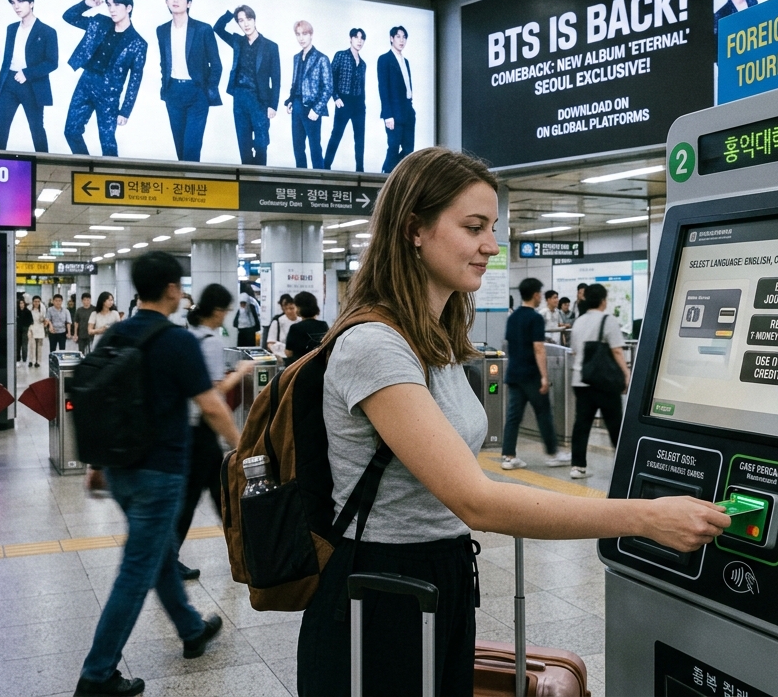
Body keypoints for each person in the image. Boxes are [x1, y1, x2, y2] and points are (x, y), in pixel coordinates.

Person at [296, 148, 730, 696]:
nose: (491, 246)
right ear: (414, 229)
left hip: (441, 576)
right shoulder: (375, 346)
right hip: (380, 593)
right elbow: (475, 499)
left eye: (493, 227)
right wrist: (643, 518)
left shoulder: (434, 340)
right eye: (473, 227)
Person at [73, 252, 226, 697]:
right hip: (160, 474)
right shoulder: (177, 341)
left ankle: (191, 628)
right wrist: (245, 445)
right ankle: (97, 674)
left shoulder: (116, 334)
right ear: (173, 289)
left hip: (121, 471)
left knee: (156, 554)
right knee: (136, 572)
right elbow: (212, 405)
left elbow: (99, 402)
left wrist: (97, 465)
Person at [177, 284, 253, 580]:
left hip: (190, 428)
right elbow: (214, 391)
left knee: (214, 492)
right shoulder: (210, 340)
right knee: (205, 494)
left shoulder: (188, 334)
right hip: (202, 430)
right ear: (218, 311)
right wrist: (242, 371)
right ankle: (244, 554)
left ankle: (244, 552)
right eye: (225, 311)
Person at [63, 0, 148, 157]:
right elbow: (69, 17)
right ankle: (86, 166)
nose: (112, 9)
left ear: (129, 7)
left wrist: (125, 110)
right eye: (109, 5)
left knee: (107, 141)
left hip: (109, 94)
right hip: (86, 83)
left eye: (117, 5)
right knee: (71, 131)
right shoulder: (99, 22)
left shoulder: (138, 43)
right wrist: (86, 4)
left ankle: (109, 175)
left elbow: (135, 80)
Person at [500, 278, 567, 471]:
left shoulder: (512, 318)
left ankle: (509, 456)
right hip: (531, 375)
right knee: (543, 413)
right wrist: (544, 376)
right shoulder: (535, 318)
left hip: (514, 373)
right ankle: (553, 454)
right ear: (536, 294)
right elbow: (539, 348)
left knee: (513, 417)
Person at [568, 283, 632, 480]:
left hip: (581, 379)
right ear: (603, 300)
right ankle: (624, 466)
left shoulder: (579, 321)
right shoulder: (608, 320)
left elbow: (575, 350)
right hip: (604, 382)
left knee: (581, 424)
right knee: (614, 424)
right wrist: (626, 374)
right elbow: (617, 350)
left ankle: (578, 467)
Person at [156, 0, 222, 162]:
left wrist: (208, 91)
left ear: (189, 3)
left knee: (191, 147)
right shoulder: (161, 30)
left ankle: (193, 184)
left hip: (197, 93)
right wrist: (165, 88)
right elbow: (164, 62)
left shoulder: (203, 29)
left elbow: (216, 64)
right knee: (180, 147)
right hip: (173, 93)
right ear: (166, 1)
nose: (175, 0)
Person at [0, 0, 59, 152]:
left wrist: (27, 74)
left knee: (36, 129)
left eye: (20, 1)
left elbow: (52, 62)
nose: (16, 6)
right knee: (0, 127)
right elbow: (7, 60)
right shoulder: (11, 28)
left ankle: (45, 165)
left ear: (32, 3)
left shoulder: (48, 32)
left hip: (33, 85)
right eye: (13, 2)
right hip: (9, 83)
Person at [214, 5, 280, 165]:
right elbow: (217, 28)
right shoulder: (238, 41)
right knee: (244, 144)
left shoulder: (270, 46)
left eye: (248, 19)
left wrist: (273, 105)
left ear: (254, 20)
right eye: (241, 21)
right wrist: (231, 13)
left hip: (260, 101)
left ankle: (260, 179)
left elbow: (276, 79)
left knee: (261, 144)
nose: (246, 24)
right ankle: (247, 179)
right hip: (240, 98)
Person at [284, 20, 333, 170]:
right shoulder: (296, 58)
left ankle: (321, 179)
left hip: (311, 108)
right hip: (297, 106)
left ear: (311, 35)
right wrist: (290, 100)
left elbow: (328, 87)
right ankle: (302, 179)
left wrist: (317, 109)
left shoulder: (321, 58)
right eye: (298, 34)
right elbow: (295, 83)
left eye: (304, 34)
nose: (301, 38)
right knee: (298, 147)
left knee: (315, 148)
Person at [324, 28, 367, 171]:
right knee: (336, 134)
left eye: (362, 38)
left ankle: (360, 169)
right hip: (344, 101)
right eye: (356, 37)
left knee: (360, 138)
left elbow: (362, 86)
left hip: (359, 104)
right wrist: (336, 97)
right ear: (351, 39)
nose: (359, 41)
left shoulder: (363, 63)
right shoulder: (341, 56)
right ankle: (325, 166)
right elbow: (330, 78)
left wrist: (363, 105)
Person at [377, 25, 415, 173]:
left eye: (404, 37)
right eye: (398, 36)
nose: (402, 40)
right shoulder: (384, 59)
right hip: (393, 112)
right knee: (393, 146)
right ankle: (385, 175)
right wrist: (388, 115)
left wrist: (411, 109)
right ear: (391, 38)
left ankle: (396, 175)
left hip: (407, 110)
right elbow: (383, 88)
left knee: (408, 150)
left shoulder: (406, 62)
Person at [282, 291, 327, 366]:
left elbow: (288, 353)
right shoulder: (323, 325)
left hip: (299, 370)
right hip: (320, 368)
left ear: (299, 308)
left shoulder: (295, 328)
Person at [264, 293, 298, 359]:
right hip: (281, 357)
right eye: (286, 309)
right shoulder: (277, 321)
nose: (289, 311)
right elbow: (270, 343)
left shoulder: (301, 321)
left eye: (291, 308)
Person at [29, 296, 47, 366]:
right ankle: (31, 361)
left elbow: (44, 319)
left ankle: (38, 361)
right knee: (32, 346)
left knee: (39, 347)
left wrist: (43, 320)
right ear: (33, 302)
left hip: (40, 329)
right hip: (32, 328)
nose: (36, 303)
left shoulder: (43, 309)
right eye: (35, 301)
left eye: (38, 301)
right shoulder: (29, 309)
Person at [15, 298, 33, 364]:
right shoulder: (16, 311)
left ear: (24, 304)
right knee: (18, 344)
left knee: (24, 344)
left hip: (25, 329)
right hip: (18, 329)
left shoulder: (28, 312)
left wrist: (27, 327)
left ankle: (24, 358)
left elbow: (31, 321)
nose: (21, 305)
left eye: (22, 303)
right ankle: (18, 358)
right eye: (20, 303)